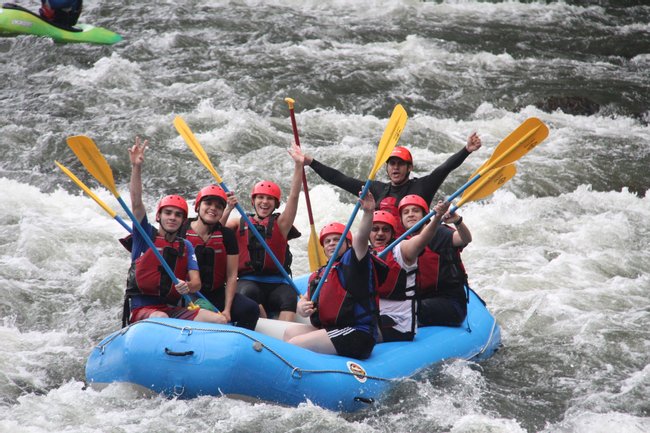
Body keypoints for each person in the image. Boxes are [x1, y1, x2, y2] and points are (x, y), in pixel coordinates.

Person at [125, 137, 226, 325]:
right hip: (143, 310)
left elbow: (196, 283)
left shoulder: (185, 245)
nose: (172, 217)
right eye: (168, 213)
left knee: (219, 320)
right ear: (158, 217)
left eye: (178, 215)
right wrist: (136, 167)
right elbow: (136, 202)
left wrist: (186, 286)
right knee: (161, 318)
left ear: (183, 221)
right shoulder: (144, 235)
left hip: (170, 308)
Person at [283, 192, 385, 360]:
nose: (332, 243)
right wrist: (302, 306)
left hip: (358, 332)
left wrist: (368, 212)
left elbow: (361, 238)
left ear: (348, 244)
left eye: (337, 240)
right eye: (328, 241)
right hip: (335, 329)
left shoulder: (354, 261)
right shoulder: (321, 273)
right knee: (289, 332)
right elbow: (306, 298)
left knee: (295, 344)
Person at [301, 133, 482, 218]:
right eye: (392, 164)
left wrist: (466, 150)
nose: (395, 168)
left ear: (409, 167)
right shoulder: (376, 188)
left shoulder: (423, 186)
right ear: (387, 168)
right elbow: (340, 179)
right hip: (383, 244)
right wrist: (311, 162)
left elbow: (444, 168)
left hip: (412, 245)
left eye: (400, 164)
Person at [225, 142, 303, 322]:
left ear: (276, 204)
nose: (265, 202)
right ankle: (264, 328)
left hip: (277, 283)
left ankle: (284, 338)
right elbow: (216, 231)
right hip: (248, 281)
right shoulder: (238, 222)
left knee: (289, 297)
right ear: (253, 201)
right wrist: (228, 209)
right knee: (248, 293)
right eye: (260, 197)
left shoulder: (281, 224)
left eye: (270, 199)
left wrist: (298, 165)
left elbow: (294, 196)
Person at [179, 185, 260, 330]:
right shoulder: (182, 230)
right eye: (208, 203)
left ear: (222, 211)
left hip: (215, 293)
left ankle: (235, 345)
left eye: (218, 206)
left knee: (251, 309)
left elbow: (231, 275)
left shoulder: (226, 235)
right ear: (198, 206)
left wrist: (227, 309)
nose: (213, 208)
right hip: (185, 293)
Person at [370, 199, 449, 342]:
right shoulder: (364, 255)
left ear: (393, 233)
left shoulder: (401, 249)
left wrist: (437, 217)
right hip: (376, 316)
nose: (380, 234)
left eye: (385, 229)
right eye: (375, 229)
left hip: (398, 324)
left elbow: (421, 240)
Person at [398, 194, 472, 327]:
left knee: (408, 310)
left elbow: (465, 239)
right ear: (401, 220)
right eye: (406, 212)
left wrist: (457, 221)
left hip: (451, 302)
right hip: (422, 298)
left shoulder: (438, 233)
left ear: (425, 215)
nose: (410, 214)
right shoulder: (402, 243)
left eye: (415, 211)